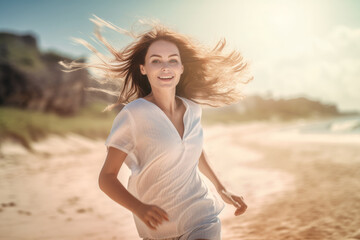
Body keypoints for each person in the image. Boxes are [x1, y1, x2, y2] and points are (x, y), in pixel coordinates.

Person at [60, 15, 252, 240]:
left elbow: (193, 149)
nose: (165, 67)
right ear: (143, 69)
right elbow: (107, 177)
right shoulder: (134, 114)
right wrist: (139, 208)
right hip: (158, 230)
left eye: (172, 60)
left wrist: (220, 188)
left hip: (201, 216)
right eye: (156, 60)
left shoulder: (193, 109)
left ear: (181, 68)